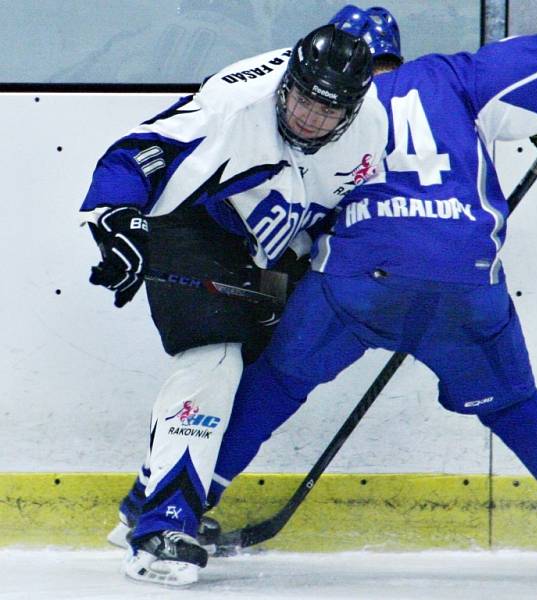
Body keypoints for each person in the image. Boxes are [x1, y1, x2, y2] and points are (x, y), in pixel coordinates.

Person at [210, 34, 537, 580]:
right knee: (510, 400)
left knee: (278, 380)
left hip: (362, 277)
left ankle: (185, 503)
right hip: (465, 275)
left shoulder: (312, 104)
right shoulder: (452, 78)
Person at [81, 23, 385, 585]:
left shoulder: (371, 127)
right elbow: (134, 154)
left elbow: (337, 208)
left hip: (263, 246)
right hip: (191, 221)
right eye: (303, 100)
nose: (310, 119)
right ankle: (161, 531)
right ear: (286, 83)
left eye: (329, 111)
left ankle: (141, 509)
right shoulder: (234, 101)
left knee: (254, 368)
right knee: (214, 358)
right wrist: (119, 218)